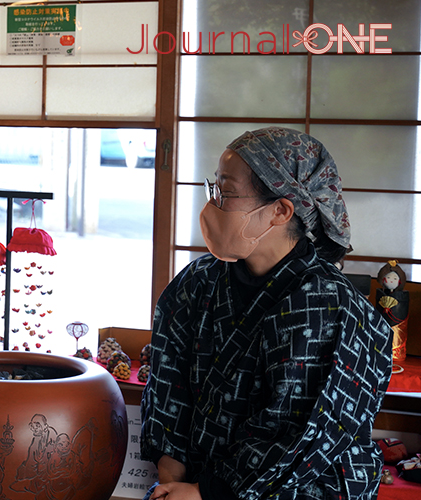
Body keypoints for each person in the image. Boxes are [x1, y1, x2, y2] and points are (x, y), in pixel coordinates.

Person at [140, 127, 392, 500]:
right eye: (214, 190)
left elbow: (300, 430)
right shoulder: (198, 282)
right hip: (193, 484)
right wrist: (170, 471)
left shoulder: (328, 306)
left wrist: (207, 492)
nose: (212, 205)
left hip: (301, 489)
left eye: (225, 194)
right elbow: (167, 380)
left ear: (280, 210)